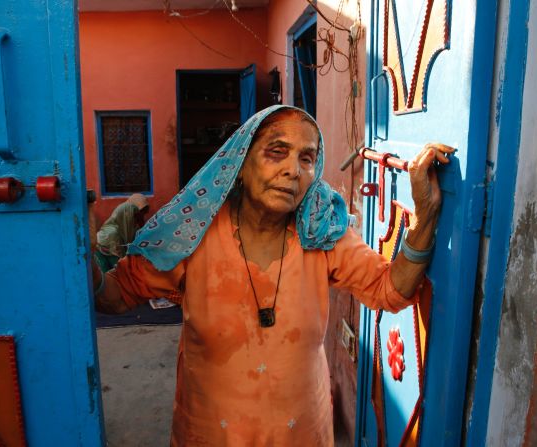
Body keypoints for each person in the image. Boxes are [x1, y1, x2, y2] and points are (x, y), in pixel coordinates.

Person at [91, 105, 452, 446]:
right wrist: (77, 240)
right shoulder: (193, 234)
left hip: (302, 432)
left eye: (307, 158)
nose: (294, 170)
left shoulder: (322, 232)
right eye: (277, 152)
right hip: (211, 435)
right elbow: (115, 297)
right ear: (241, 164)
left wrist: (425, 215)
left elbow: (391, 290)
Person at [94, 193, 149, 273]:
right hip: (104, 266)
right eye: (134, 217)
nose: (135, 221)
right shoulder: (112, 233)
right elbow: (116, 263)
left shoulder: (125, 228)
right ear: (126, 217)